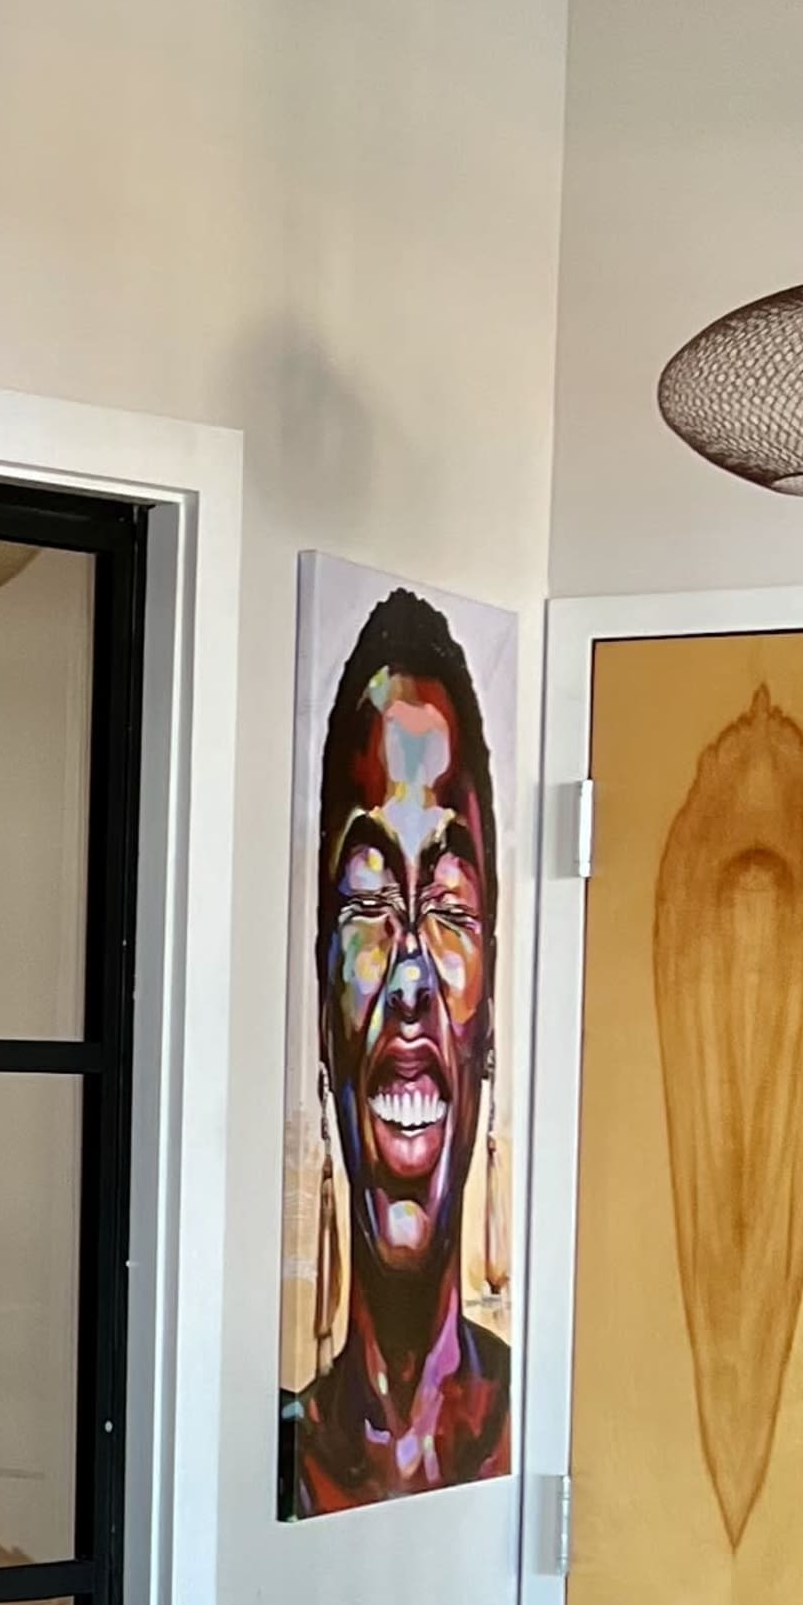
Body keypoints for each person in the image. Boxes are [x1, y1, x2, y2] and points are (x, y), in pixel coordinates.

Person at [281, 587, 510, 1515]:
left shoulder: (541, 1437)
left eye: (452, 907)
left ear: (490, 1014)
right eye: (368, 902)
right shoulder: (270, 1461)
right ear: (323, 1027)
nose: (411, 973)